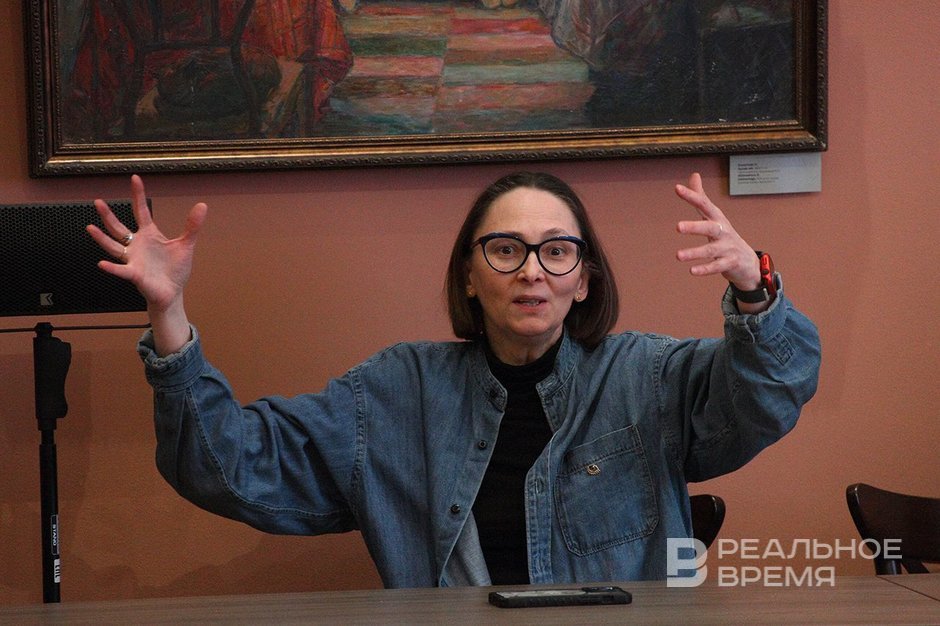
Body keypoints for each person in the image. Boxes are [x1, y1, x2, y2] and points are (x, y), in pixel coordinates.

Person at [87, 171, 820, 588]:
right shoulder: (394, 391)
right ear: (469, 275)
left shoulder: (648, 376)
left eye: (556, 251)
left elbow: (770, 394)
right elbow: (227, 466)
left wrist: (753, 289)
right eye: (505, 249)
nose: (531, 271)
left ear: (584, 280)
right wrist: (168, 312)